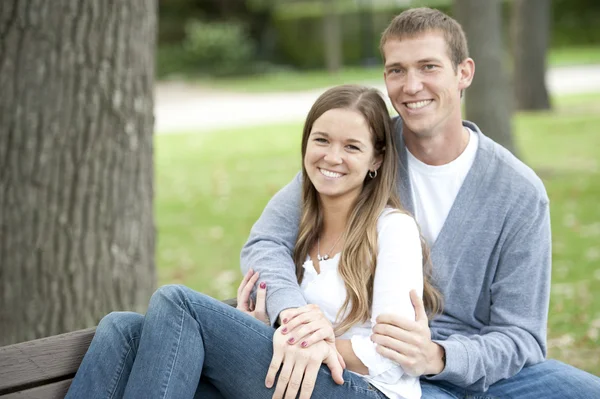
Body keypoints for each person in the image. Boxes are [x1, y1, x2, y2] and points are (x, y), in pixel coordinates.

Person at [241, 7, 600, 399]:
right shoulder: (363, 152)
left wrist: (438, 357)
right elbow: (265, 242)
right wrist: (293, 315)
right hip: (375, 360)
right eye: (397, 70)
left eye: (428, 67)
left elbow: (522, 336)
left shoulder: (519, 193)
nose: (411, 86)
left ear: (464, 73)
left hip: (468, 359)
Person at [65, 84, 441, 399]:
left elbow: (392, 355)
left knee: (177, 303)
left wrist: (310, 345)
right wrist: (268, 333)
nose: (332, 157)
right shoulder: (301, 225)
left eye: (352, 147)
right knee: (122, 328)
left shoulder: (393, 230)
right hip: (297, 375)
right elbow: (263, 253)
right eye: (321, 140)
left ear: (376, 158)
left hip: (363, 388)